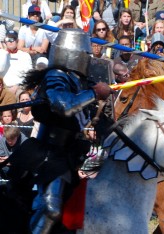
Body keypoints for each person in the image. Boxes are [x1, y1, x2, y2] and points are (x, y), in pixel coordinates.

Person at [6, 28, 113, 234]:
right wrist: (93, 93)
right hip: (49, 152)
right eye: (84, 54)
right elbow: (63, 105)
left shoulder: (79, 80)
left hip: (70, 152)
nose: (87, 58)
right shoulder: (57, 75)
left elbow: (87, 117)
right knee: (50, 209)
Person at [0, 30, 33, 95]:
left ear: (17, 41)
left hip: (19, 87)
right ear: (5, 41)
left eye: (13, 39)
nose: (10, 41)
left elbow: (28, 75)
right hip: (2, 88)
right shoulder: (1, 53)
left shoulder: (25, 55)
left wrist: (17, 86)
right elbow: (0, 69)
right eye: (8, 39)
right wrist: (4, 52)